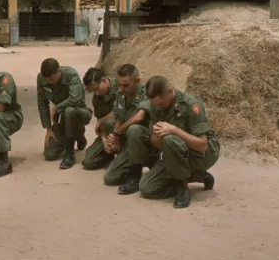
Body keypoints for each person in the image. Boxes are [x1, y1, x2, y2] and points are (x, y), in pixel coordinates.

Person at [137, 76, 219, 209]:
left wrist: (175, 130)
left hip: (202, 154)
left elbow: (202, 145)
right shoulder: (155, 105)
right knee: (146, 188)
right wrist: (157, 134)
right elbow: (156, 143)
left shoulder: (191, 105)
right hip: (175, 154)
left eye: (162, 103)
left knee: (169, 139)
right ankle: (195, 175)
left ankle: (182, 186)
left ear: (170, 91)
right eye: (156, 104)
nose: (159, 107)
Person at [101, 64, 152, 195]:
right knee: (109, 178)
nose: (121, 88)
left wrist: (117, 132)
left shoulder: (147, 92)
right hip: (130, 142)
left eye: (126, 85)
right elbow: (119, 118)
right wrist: (114, 138)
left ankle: (136, 176)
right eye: (119, 84)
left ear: (137, 81)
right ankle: (131, 163)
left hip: (147, 141)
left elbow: (139, 117)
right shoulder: (120, 93)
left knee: (134, 129)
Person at [37, 58, 93, 169]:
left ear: (59, 71)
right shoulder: (41, 78)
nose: (49, 82)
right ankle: (78, 134)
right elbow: (42, 104)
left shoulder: (71, 75)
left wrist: (58, 106)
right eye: (46, 79)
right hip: (61, 116)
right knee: (50, 154)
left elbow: (75, 99)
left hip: (79, 113)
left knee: (69, 111)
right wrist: (48, 129)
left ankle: (69, 152)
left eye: (52, 79)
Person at [82, 67, 118, 170]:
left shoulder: (121, 86)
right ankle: (109, 155)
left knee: (109, 122)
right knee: (88, 162)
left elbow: (121, 112)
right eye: (93, 91)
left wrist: (103, 120)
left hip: (123, 130)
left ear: (103, 80)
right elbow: (100, 125)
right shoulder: (97, 99)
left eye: (96, 89)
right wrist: (104, 140)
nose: (96, 93)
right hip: (109, 134)